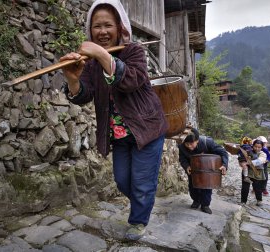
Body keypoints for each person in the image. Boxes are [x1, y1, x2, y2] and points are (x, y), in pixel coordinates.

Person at [59, 0, 168, 241]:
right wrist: (73, 79)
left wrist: (98, 53)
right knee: (122, 180)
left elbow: (130, 80)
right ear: (90, 30)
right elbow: (83, 96)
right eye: (97, 26)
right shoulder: (90, 64)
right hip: (119, 134)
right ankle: (144, 198)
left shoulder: (134, 51)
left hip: (147, 129)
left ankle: (138, 221)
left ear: (120, 27)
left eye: (108, 25)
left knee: (140, 181)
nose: (102, 31)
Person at [178, 128, 228, 214]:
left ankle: (205, 205)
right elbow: (182, 159)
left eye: (191, 144)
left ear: (197, 140)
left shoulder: (207, 142)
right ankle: (196, 201)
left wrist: (224, 165)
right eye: (187, 144)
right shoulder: (182, 146)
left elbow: (223, 153)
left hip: (208, 170)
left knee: (206, 188)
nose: (189, 146)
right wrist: (186, 166)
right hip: (193, 170)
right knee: (192, 187)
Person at [238, 139, 267, 206]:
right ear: (252, 146)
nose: (257, 148)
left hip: (257, 172)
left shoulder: (263, 154)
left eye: (259, 147)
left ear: (262, 147)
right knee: (245, 187)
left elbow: (260, 161)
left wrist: (249, 163)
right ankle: (243, 201)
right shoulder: (248, 152)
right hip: (247, 172)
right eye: (255, 146)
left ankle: (259, 200)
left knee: (257, 187)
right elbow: (241, 160)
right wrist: (242, 162)